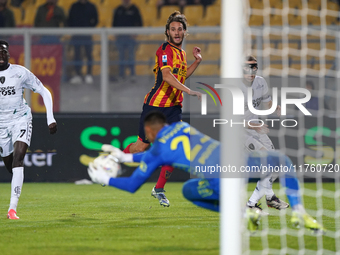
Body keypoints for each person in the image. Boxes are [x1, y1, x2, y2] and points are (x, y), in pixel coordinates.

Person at [88, 111, 324, 233]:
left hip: (219, 179)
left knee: (188, 190)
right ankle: (299, 210)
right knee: (281, 159)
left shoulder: (158, 150)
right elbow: (158, 151)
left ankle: (243, 213)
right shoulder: (181, 126)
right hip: (239, 163)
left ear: (149, 131)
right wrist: (124, 156)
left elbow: (132, 185)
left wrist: (105, 177)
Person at [121, 11, 202, 207]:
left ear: (184, 32)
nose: (176, 32)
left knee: (178, 146)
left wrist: (197, 62)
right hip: (155, 107)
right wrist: (188, 91)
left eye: (180, 29)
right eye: (173, 29)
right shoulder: (164, 50)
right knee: (141, 147)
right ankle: (114, 163)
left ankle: (159, 188)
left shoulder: (181, 54)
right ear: (167, 32)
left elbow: (181, 76)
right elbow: (166, 76)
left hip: (174, 108)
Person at [0, 40, 57, 219]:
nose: (1, 56)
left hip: (21, 119)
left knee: (18, 158)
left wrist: (50, 118)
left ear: (8, 55)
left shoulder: (20, 73)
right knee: (10, 165)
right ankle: (18, 179)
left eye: (3, 52)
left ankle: (12, 209)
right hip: (1, 124)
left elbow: (44, 91)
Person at [241, 55, 289, 215]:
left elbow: (267, 100)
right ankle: (251, 203)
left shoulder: (260, 82)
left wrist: (276, 107)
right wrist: (254, 126)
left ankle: (269, 197)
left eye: (254, 68)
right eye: (247, 68)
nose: (251, 72)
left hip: (257, 129)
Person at [68, 0, 98, 84]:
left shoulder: (91, 6)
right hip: (76, 35)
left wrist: (89, 28)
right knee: (77, 54)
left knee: (88, 54)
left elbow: (95, 19)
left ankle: (89, 74)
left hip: (87, 35)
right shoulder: (74, 6)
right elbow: (69, 19)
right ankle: (78, 74)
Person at [113, 0, 143, 82]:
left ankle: (132, 74)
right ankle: (121, 74)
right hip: (120, 37)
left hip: (130, 38)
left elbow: (140, 23)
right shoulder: (118, 9)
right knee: (121, 57)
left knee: (131, 56)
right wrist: (115, 33)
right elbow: (114, 23)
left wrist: (135, 33)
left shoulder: (134, 9)